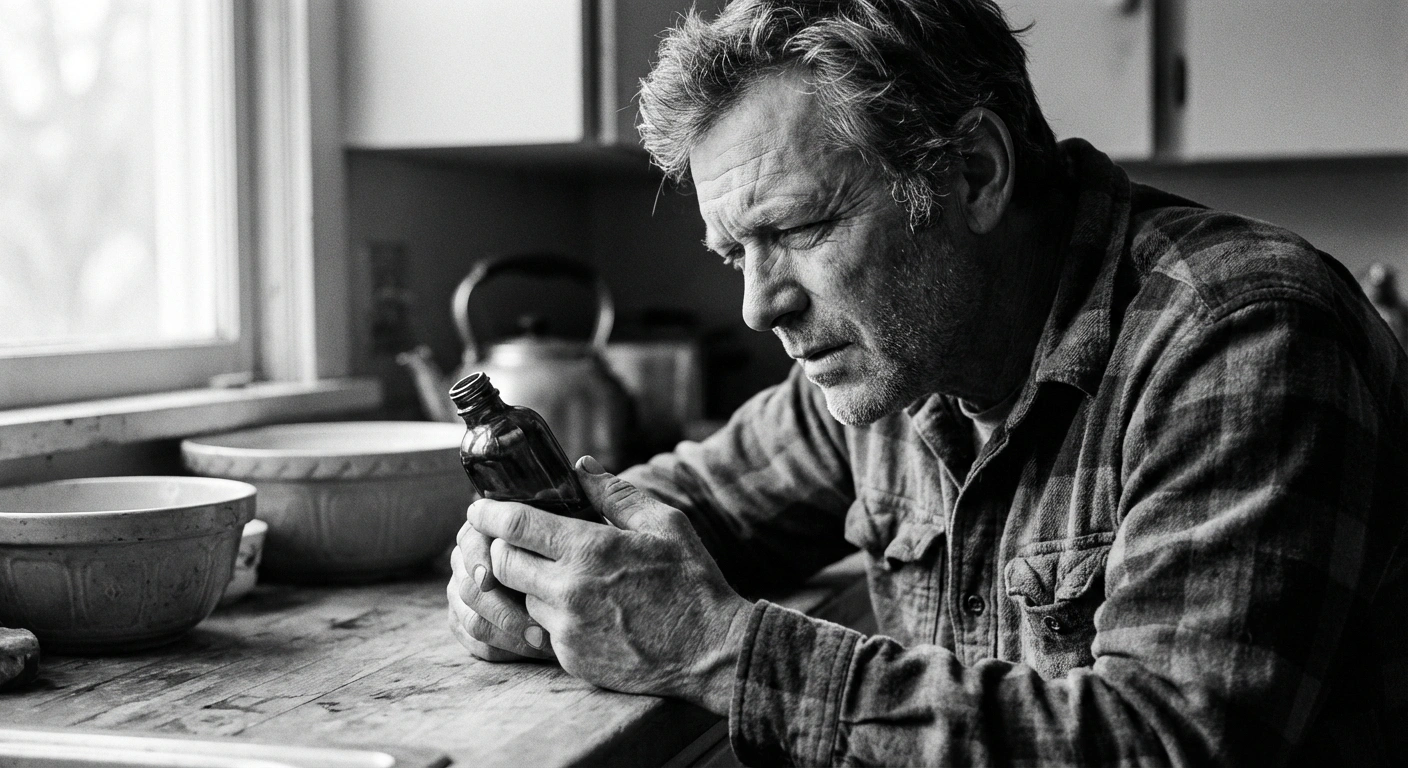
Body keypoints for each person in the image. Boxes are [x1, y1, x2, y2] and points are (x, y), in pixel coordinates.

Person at [446, 1, 1408, 764]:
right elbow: (674, 513)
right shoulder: (894, 365)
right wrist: (531, 566)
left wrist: (721, 648)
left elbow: (1163, 744)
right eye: (734, 252)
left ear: (976, 173)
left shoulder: (1242, 335)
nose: (756, 306)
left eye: (798, 230)